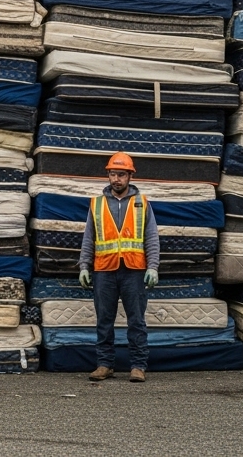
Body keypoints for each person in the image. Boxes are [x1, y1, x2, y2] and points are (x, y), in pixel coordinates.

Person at [78, 152, 160, 382]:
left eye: (121, 174)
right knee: (104, 320)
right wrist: (84, 265)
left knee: (136, 320)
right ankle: (104, 364)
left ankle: (138, 366)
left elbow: (151, 238)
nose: (116, 179)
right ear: (108, 175)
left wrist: (153, 267)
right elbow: (89, 238)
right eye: (113, 174)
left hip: (134, 271)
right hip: (104, 269)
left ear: (130, 176)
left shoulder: (141, 204)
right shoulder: (97, 204)